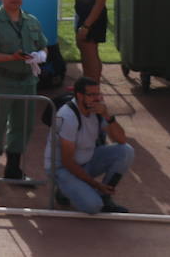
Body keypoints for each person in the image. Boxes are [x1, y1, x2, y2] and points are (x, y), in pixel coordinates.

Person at [0, 0, 48, 191]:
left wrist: (39, 56)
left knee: (22, 125)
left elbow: (44, 46)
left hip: (27, 82)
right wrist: (11, 58)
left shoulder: (32, 21)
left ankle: (13, 170)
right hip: (3, 80)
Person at [47, 76, 134, 214]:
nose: (96, 98)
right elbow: (68, 162)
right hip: (63, 168)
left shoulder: (98, 111)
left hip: (86, 161)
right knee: (93, 207)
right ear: (79, 96)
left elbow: (121, 140)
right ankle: (64, 191)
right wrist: (96, 185)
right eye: (91, 95)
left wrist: (107, 115)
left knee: (126, 151)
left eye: (98, 94)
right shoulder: (68, 116)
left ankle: (105, 197)